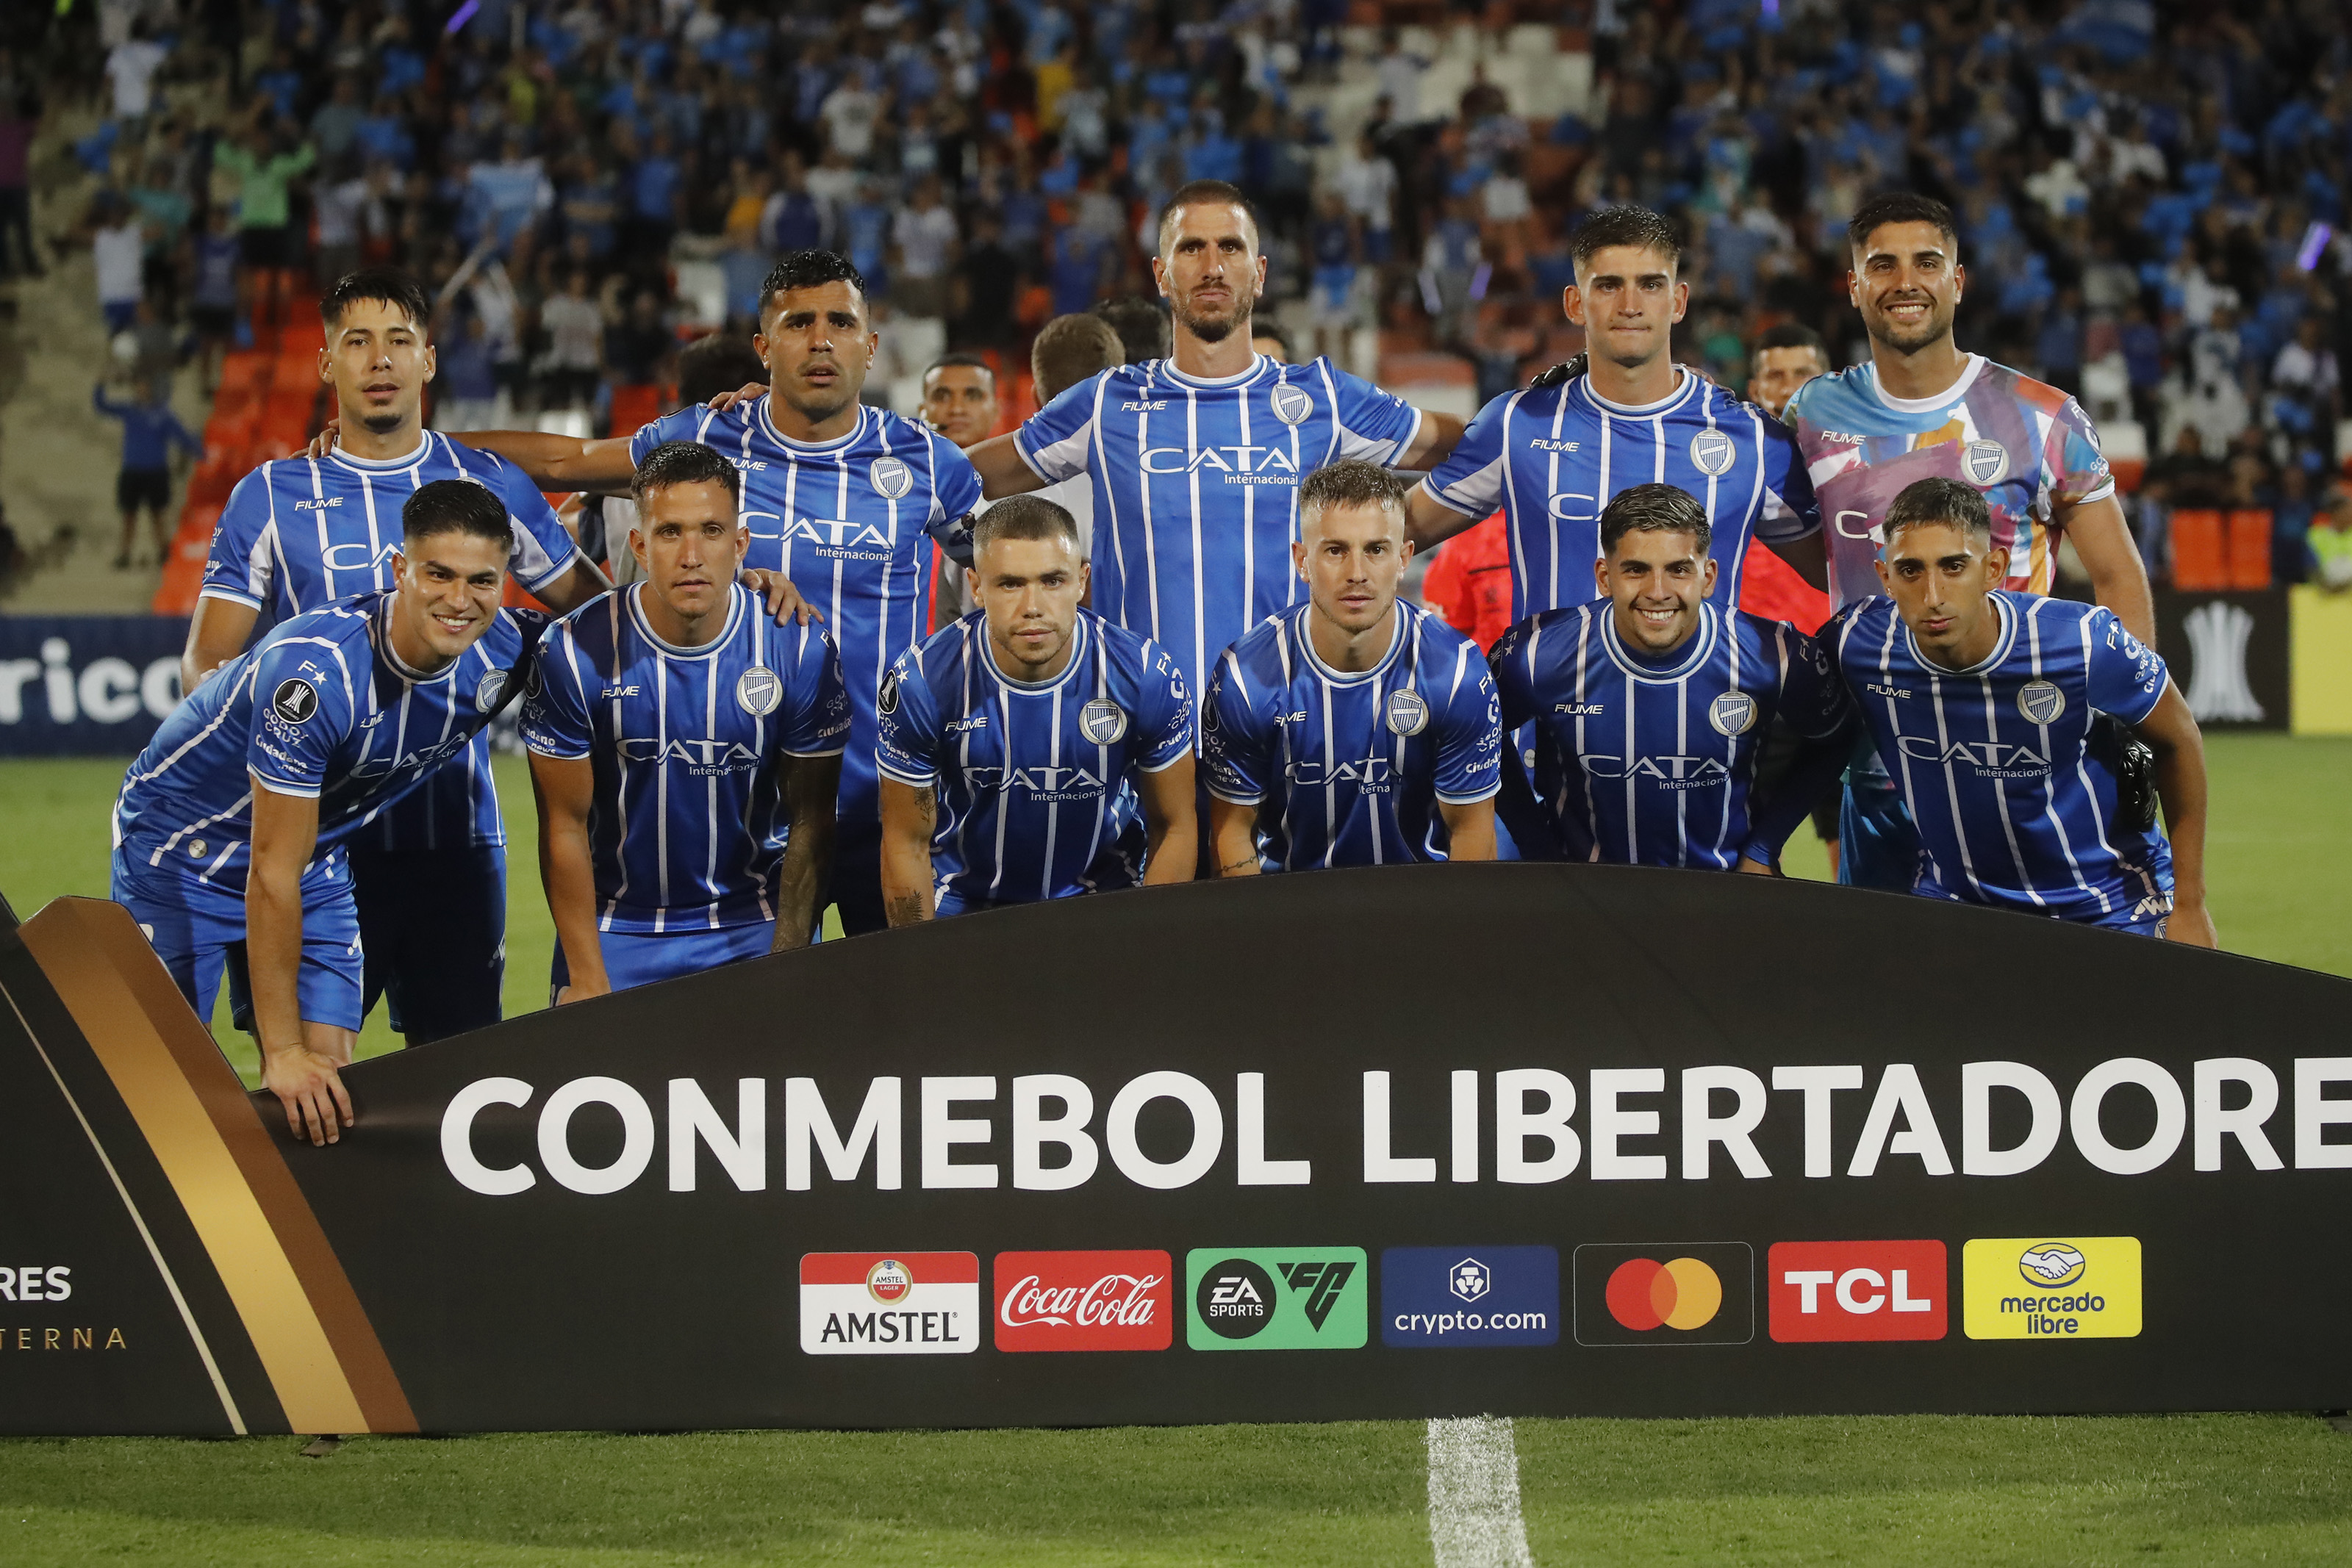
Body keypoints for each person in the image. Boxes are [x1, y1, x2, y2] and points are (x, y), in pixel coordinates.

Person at [442, 250, 983, 936]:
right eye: (799, 323)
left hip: (892, 808)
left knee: (906, 1029)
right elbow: (566, 462)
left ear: (871, 347)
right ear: (763, 347)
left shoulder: (925, 460)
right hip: (749, 826)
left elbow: (1003, 578)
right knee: (765, 1033)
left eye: (841, 323)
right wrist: (421, 444)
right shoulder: (708, 436)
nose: (821, 340)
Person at [185, 268, 611, 1048]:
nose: (379, 360)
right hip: (316, 845)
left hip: (454, 839)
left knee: (462, 1081)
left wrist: (737, 591)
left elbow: (603, 623)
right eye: (357, 342)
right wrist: (277, 763)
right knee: (315, 1082)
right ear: (327, 365)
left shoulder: (488, 483)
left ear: (429, 361)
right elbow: (208, 667)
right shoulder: (270, 495)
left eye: (398, 342)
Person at [113, 481, 553, 1146]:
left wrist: (747, 593)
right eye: (438, 574)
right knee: (160, 1087)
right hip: (181, 848)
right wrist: (280, 1050)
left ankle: (290, 1241)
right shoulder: (316, 676)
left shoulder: (507, 649)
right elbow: (268, 870)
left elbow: (621, 631)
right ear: (400, 570)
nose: (460, 601)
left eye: (482, 581)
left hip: (310, 856)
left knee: (325, 1085)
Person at [964, 179, 1464, 720]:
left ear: (1260, 271)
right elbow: (958, 478)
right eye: (1190, 248)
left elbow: (1477, 450)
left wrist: (1393, 537)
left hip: (1284, 731)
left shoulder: (1324, 399)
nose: (1212, 266)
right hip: (1137, 734)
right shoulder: (1108, 402)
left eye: (1230, 246)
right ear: (1161, 273)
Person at [1782, 193, 2156, 893]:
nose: (1905, 282)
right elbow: (1807, 549)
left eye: (1927, 262)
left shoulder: (2040, 415)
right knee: (1889, 984)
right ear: (1855, 285)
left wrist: (2127, 726)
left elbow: (2116, 572)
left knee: (2036, 981)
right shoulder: (1812, 413)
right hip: (1884, 767)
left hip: (2023, 761)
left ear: (1957, 281)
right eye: (1882, 265)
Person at [520, 442, 847, 997]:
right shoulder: (574, 651)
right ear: (640, 546)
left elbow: (811, 821)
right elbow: (563, 828)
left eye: (712, 531)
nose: (692, 554)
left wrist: (790, 964)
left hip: (754, 923)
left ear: (739, 544)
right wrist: (587, 973)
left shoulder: (799, 649)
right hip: (617, 928)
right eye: (671, 532)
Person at [1825, 478, 2212, 943]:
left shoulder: (2082, 642)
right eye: (1910, 571)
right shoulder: (1857, 643)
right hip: (1960, 902)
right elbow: (1793, 738)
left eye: (1953, 567)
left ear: (1993, 568)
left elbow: (2179, 740)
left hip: (2108, 903)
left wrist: (2190, 905)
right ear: (1885, 576)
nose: (1932, 595)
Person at [1405, 204, 1826, 625]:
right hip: (1552, 691)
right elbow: (1382, 540)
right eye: (1608, 285)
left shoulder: (1752, 440)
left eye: (1649, 284)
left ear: (1678, 301)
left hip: (1707, 691)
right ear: (1574, 303)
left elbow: (1854, 575)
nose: (1630, 305)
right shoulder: (1517, 425)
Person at [1486, 483, 1853, 871]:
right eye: (1636, 570)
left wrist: (1764, 847)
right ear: (1604, 576)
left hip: (1726, 894)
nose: (1658, 592)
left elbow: (1836, 737)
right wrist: (1537, 845)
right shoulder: (1534, 654)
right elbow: (1479, 736)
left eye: (1678, 570)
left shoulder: (1776, 655)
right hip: (1583, 896)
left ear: (1708, 577)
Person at [876, 495, 1197, 919]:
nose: (1032, 607)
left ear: (1082, 580)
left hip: (1105, 901)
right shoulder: (922, 682)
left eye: (1052, 581)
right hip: (964, 909)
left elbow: (1174, 825)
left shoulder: (1144, 674)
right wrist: (921, 968)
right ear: (976, 586)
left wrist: (1146, 945)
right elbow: (906, 842)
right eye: (1010, 583)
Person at [1203, 461, 1500, 874]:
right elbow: (1233, 834)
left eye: (1376, 550)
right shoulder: (1244, 678)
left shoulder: (1457, 674)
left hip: (1421, 916)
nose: (1356, 574)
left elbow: (1472, 834)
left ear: (1403, 558)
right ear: (1302, 560)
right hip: (1287, 916)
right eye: (1335, 550)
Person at [93, 377, 200, 569]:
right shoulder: (129, 411)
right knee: (129, 515)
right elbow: (102, 407)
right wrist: (100, 385)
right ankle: (125, 553)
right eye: (138, 387)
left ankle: (163, 551)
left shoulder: (162, 415)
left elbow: (181, 436)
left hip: (155, 472)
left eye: (145, 386)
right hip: (133, 471)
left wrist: (202, 452)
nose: (142, 390)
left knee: (157, 514)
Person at [920, 353, 1000, 450]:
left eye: (973, 397)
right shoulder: (902, 463)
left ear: (996, 411)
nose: (957, 409)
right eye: (942, 397)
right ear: (922, 412)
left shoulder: (1020, 464)